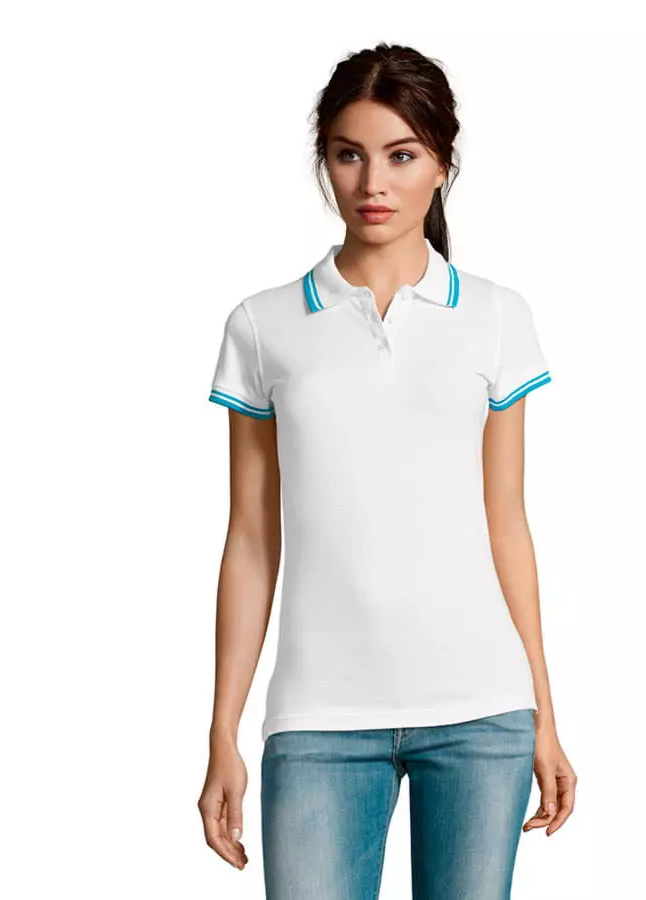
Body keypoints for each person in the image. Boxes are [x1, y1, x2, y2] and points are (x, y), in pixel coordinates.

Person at [198, 42, 577, 899]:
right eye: (349, 154)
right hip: (318, 721)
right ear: (324, 163)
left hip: (482, 714)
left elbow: (506, 523)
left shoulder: (495, 317)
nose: (373, 182)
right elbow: (251, 539)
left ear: (442, 165)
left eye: (401, 155)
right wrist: (223, 729)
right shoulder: (262, 326)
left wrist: (546, 715)